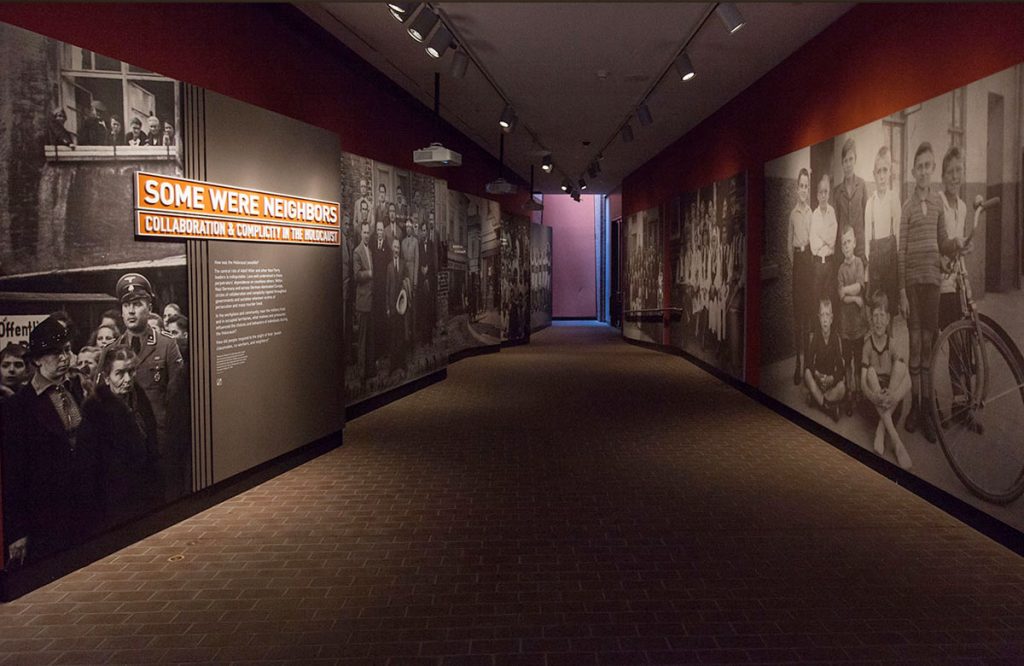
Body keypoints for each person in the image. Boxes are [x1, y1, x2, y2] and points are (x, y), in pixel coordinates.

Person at [1, 316, 100, 566]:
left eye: (67, 350)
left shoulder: (78, 390)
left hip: (86, 510)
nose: (64, 358)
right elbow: (13, 473)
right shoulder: (19, 406)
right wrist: (16, 532)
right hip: (46, 518)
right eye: (54, 353)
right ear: (36, 359)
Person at [898, 142, 958, 442]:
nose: (923, 171)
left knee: (929, 345)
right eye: (918, 166)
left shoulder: (937, 204)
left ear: (932, 169)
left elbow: (944, 239)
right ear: (913, 171)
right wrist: (901, 291)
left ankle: (927, 408)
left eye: (927, 166)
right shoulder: (907, 207)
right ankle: (915, 411)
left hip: (933, 283)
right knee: (914, 345)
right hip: (913, 285)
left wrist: (954, 245)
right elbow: (902, 250)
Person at [113, 272, 187, 500]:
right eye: (126, 305)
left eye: (137, 304)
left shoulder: (166, 346)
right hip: (123, 447)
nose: (131, 311)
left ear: (149, 306)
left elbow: (177, 401)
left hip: (159, 445)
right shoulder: (111, 351)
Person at [77, 345, 161, 530]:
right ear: (107, 378)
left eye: (132, 371)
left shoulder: (139, 399)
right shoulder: (96, 412)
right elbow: (88, 468)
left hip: (143, 494)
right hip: (113, 502)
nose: (128, 379)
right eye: (120, 373)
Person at [936, 146, 982, 435]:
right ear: (943, 176)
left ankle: (960, 403)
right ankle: (929, 404)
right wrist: (956, 243)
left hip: (959, 282)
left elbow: (961, 243)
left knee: (961, 345)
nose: (955, 176)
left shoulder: (964, 207)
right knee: (937, 343)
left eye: (959, 171)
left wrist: (967, 245)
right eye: (950, 171)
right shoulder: (939, 202)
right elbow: (942, 243)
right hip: (940, 284)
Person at [861, 293, 912, 470]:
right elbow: (862, 384)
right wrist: (874, 396)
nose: (878, 321)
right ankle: (897, 442)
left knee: (900, 367)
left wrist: (894, 396)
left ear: (889, 318)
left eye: (882, 315)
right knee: (870, 373)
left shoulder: (892, 344)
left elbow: (908, 381)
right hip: (873, 407)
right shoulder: (867, 345)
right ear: (871, 319)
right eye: (875, 316)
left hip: (892, 406)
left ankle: (882, 430)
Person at [864, 146, 900, 324]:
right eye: (879, 171)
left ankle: (889, 345)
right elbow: (865, 240)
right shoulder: (870, 204)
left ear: (890, 173)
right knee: (877, 309)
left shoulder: (894, 199)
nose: (882, 176)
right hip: (876, 264)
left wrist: (899, 265)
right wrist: (867, 274)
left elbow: (899, 236)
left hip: (891, 262)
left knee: (890, 310)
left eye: (885, 170)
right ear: (874, 174)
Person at [837, 225, 868, 415]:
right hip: (845, 325)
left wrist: (851, 292)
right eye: (843, 243)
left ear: (855, 243)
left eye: (849, 241)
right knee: (847, 360)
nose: (847, 245)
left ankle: (858, 392)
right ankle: (849, 392)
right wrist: (854, 298)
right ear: (841, 247)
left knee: (858, 360)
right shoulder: (840, 269)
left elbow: (859, 285)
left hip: (858, 325)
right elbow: (841, 295)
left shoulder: (858, 264)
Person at [804, 297, 845, 422]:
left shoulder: (835, 338)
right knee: (806, 373)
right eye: (822, 315)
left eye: (827, 315)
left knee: (842, 388)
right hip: (818, 378)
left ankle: (818, 400)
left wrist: (832, 378)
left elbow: (841, 367)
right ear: (819, 318)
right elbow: (809, 361)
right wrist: (816, 374)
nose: (825, 319)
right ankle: (828, 407)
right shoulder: (816, 336)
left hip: (829, 382)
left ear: (832, 318)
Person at [833, 137, 867, 261]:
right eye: (845, 161)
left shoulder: (862, 186)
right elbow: (836, 221)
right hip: (844, 249)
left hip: (859, 248)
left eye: (850, 159)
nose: (848, 164)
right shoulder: (837, 191)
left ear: (855, 160)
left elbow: (866, 218)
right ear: (842, 163)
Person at [809, 173, 838, 315]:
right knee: (816, 299)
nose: (823, 195)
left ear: (829, 194)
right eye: (821, 192)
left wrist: (821, 234)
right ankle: (817, 333)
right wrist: (824, 238)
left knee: (829, 298)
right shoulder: (814, 215)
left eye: (826, 192)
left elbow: (832, 240)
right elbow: (814, 245)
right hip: (817, 265)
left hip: (829, 265)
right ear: (817, 195)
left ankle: (830, 333)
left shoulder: (832, 212)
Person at [353, 221, 374, 378]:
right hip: (362, 303)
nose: (366, 235)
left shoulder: (370, 251)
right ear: (361, 233)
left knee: (369, 339)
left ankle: (369, 371)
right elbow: (357, 275)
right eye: (364, 232)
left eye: (368, 232)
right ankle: (361, 374)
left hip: (370, 301)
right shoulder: (357, 251)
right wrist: (369, 273)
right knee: (362, 340)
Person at [370, 219, 391, 371]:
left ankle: (384, 350)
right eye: (377, 230)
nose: (379, 232)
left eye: (381, 230)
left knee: (384, 319)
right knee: (375, 320)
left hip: (384, 290)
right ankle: (376, 350)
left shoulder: (388, 248)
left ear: (384, 231)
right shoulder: (371, 245)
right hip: (374, 290)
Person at [386, 237, 407, 373]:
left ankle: (402, 363)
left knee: (401, 334)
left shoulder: (404, 264)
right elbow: (387, 289)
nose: (396, 250)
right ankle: (393, 365)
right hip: (392, 308)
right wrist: (388, 307)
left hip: (402, 306)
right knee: (393, 335)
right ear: (392, 249)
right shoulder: (388, 267)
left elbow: (406, 283)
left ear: (400, 250)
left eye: (398, 248)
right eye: (394, 247)